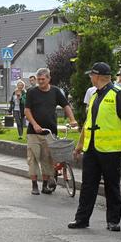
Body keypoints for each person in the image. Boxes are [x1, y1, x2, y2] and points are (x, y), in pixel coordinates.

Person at [69, 62, 121, 231]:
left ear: (99, 76)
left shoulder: (117, 94)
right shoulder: (94, 95)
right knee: (88, 185)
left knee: (112, 186)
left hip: (111, 149)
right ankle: (82, 219)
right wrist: (80, 145)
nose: (90, 78)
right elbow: (88, 123)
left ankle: (113, 221)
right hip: (92, 148)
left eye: (91, 75)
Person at [24, 67, 78, 195]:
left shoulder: (55, 91)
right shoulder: (32, 92)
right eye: (39, 79)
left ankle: (45, 185)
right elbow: (27, 110)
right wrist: (35, 124)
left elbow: (66, 106)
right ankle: (34, 185)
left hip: (49, 132)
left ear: (49, 79)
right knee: (33, 158)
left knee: (47, 159)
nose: (40, 82)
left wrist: (72, 119)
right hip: (34, 132)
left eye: (43, 79)